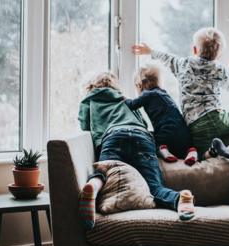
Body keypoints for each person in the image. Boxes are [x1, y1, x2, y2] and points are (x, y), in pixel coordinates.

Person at [78, 72, 195, 230]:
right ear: (114, 85)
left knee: (103, 175)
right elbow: (142, 122)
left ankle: (93, 185)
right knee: (154, 187)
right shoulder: (124, 99)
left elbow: (85, 126)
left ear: (92, 86)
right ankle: (180, 198)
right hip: (141, 136)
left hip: (113, 136)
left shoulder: (89, 100)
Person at [132, 27, 229, 159]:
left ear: (195, 49)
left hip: (195, 124)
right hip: (217, 116)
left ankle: (214, 147)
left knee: (199, 154)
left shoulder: (184, 64)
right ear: (219, 55)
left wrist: (150, 51)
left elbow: (167, 58)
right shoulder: (218, 69)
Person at [125, 64, 229, 165]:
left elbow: (131, 105)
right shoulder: (165, 94)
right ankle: (194, 152)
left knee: (150, 139)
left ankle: (163, 150)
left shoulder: (147, 95)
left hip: (165, 133)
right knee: (190, 151)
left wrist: (120, 97)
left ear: (140, 85)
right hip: (184, 135)